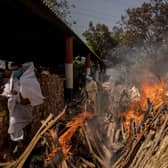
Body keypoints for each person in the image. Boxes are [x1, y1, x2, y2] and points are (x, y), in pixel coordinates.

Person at [2, 62, 44, 154]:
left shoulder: (29, 81)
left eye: (16, 69)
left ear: (21, 69)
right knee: (13, 124)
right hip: (16, 108)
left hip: (25, 109)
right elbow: (9, 88)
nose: (14, 71)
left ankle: (25, 145)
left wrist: (21, 98)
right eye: (13, 70)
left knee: (26, 125)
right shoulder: (14, 78)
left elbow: (30, 99)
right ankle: (19, 144)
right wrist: (10, 94)